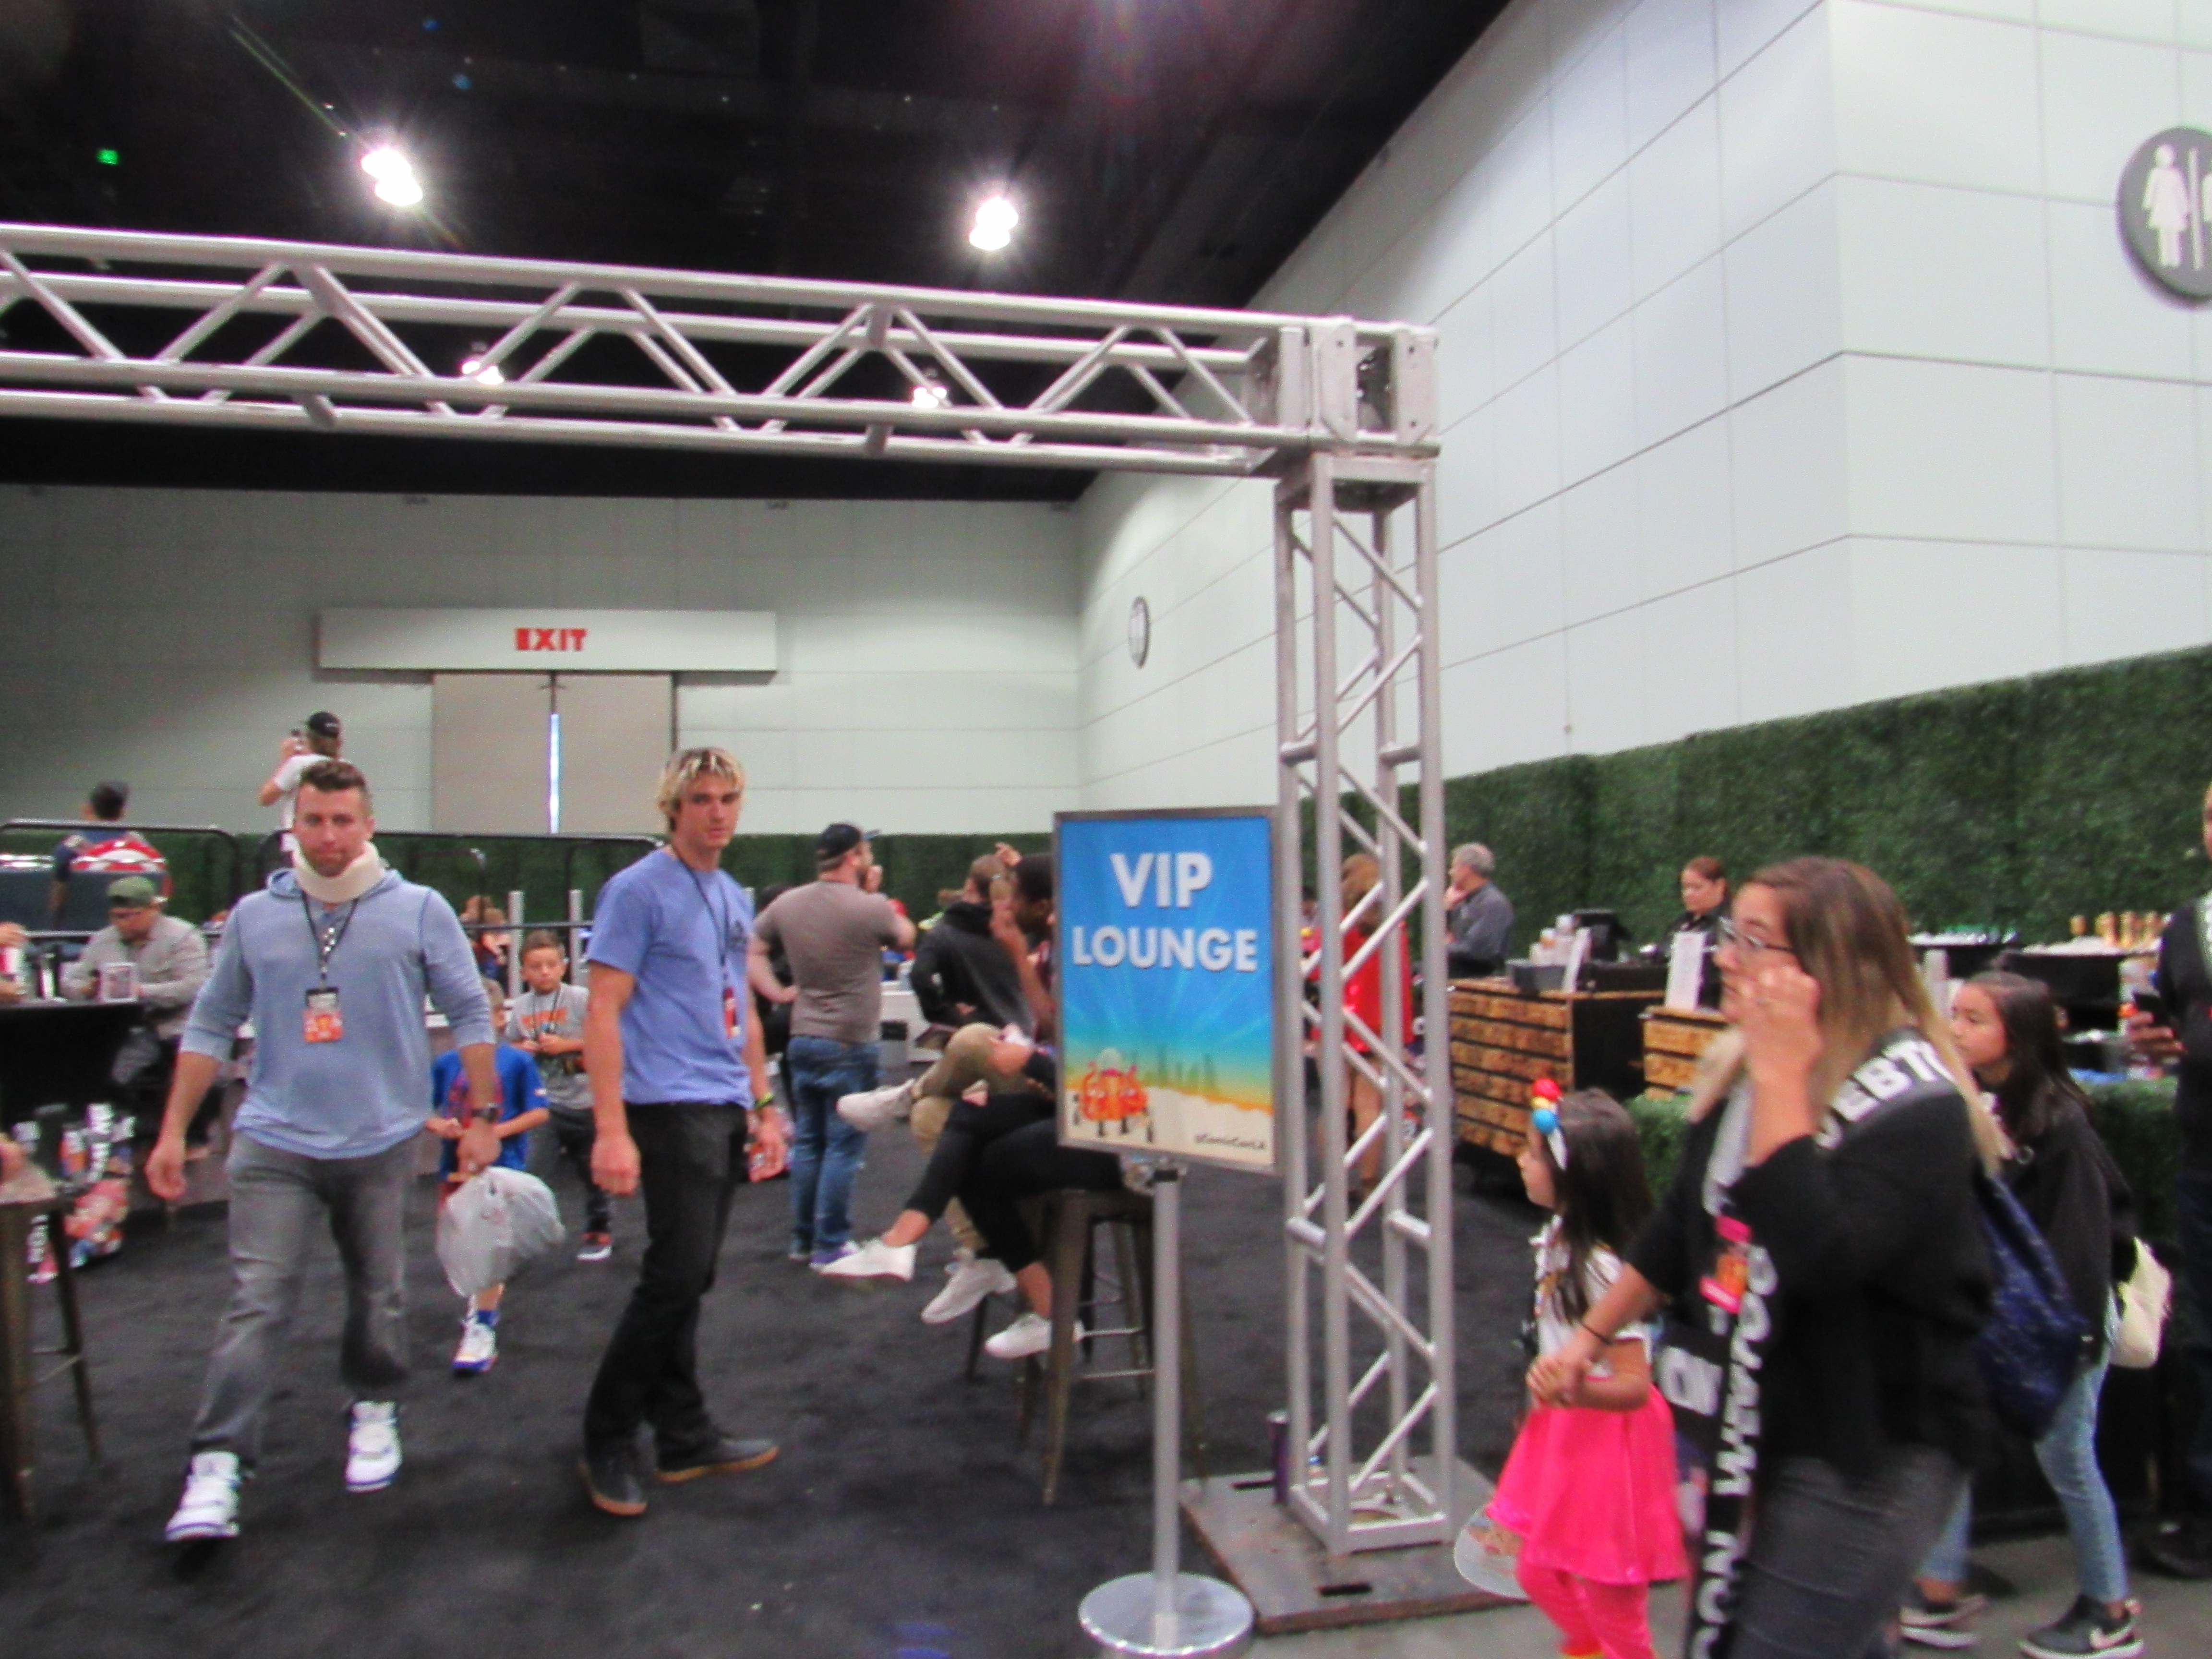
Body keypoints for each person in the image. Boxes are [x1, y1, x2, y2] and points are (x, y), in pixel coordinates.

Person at [1532, 857, 1999, 1659]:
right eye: (1729, 935)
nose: (1726, 958)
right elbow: (1685, 1225)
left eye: (1753, 941)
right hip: (1758, 1421)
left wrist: (1782, 1074)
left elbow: (1819, 1258)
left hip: (1865, 1449)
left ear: (1828, 966)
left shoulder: (1916, 1106)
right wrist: (1590, 1337)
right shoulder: (1743, 1075)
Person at [148, 760, 501, 1542]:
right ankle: (217, 1461)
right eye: (314, 820)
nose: (330, 835)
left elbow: (470, 1011)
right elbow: (210, 1023)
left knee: (378, 1293)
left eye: (344, 820)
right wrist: (172, 1131)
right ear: (293, 827)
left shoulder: (419, 909)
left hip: (379, 1141)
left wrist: (482, 1114)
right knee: (258, 1300)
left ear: (368, 825)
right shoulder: (254, 917)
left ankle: (373, 1405)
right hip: (273, 1140)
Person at [577, 746, 788, 1519]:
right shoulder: (637, 891)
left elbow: (745, 1011)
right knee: (675, 1275)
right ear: (673, 807)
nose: (717, 812)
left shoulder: (730, 894)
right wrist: (610, 1130)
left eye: (728, 798)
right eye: (701, 799)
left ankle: (683, 1433)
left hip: (722, 1100)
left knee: (689, 1275)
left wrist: (763, 1105)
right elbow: (602, 1010)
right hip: (666, 1104)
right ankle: (605, 1434)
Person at [1905, 973, 2141, 1658]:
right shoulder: (1980, 1104)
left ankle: (2110, 1608)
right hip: (2004, 1318)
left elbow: (2084, 1241)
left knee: (2068, 1459)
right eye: (1955, 1015)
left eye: (1974, 1019)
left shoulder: (2061, 1125)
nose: (1956, 1030)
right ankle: (1939, 1590)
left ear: (2020, 1034)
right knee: (1958, 1437)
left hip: (2057, 1325)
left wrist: (2072, 1336)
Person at [1487, 1089, 1683, 1659]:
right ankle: (1594, 1648)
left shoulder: (1599, 1268)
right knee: (1537, 1569)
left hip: (1609, 1440)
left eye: (1533, 1153)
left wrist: (1575, 1391)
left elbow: (1634, 1385)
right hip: (1563, 1425)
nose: (1521, 1161)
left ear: (1573, 1177)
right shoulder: (1557, 1239)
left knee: (1609, 1585)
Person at [831, 852, 1056, 1324]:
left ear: (1042, 905)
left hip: (1068, 1095)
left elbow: (1070, 1041)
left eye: (1015, 897)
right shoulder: (1044, 944)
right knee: (933, 1114)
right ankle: (982, 1254)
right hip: (1040, 1077)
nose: (1004, 905)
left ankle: (903, 1098)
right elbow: (1050, 1028)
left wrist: (1013, 969)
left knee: (972, 1039)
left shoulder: (1080, 948)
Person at [748, 823, 914, 1267]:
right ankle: (831, 1244)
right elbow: (906, 936)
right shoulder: (869, 906)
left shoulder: (787, 903)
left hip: (804, 1038)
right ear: (854, 858)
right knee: (843, 1146)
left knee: (809, 1143)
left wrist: (777, 993)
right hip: (850, 1043)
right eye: (866, 853)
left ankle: (804, 1240)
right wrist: (874, 894)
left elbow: (752, 949)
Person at [2129, 779, 2212, 1579]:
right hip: (2205, 1156)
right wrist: (2160, 1043)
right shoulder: (2190, 926)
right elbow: (2175, 1020)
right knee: (2205, 1335)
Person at [430, 976, 549, 1376]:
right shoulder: (446, 1063)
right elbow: (422, 1110)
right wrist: (442, 1126)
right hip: (455, 1170)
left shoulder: (517, 1062)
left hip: (500, 1169)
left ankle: (482, 1323)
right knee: (464, 1247)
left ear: (501, 1018)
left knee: (490, 1246)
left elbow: (538, 1111)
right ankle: (480, 1308)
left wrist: (493, 1132)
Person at [61, 875, 213, 1135]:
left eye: (130, 916)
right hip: (122, 1027)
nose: (122, 923)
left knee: (191, 1067)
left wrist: (140, 992)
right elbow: (70, 982)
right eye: (116, 917)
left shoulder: (183, 936)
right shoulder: (103, 940)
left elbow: (195, 986)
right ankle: (114, 1131)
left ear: (154, 909)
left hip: (175, 1024)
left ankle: (189, 1136)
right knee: (97, 1067)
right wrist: (87, 989)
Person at [511, 929, 610, 1260]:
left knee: (592, 1173)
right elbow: (509, 1044)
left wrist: (566, 1045)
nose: (544, 972)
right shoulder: (521, 1007)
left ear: (564, 967)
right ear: (523, 972)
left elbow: (607, 1036)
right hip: (546, 1103)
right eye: (536, 967)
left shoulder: (580, 999)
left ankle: (599, 1227)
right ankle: (524, 1232)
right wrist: (522, 1048)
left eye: (551, 965)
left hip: (585, 1101)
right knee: (531, 1169)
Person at [909, 854, 1028, 1035]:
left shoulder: (943, 932)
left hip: (970, 1035)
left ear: (970, 884)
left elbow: (920, 975)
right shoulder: (1020, 928)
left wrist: (946, 1014)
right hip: (1021, 1034)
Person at [50, 779, 168, 920]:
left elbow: (57, 899)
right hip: (133, 924)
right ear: (123, 812)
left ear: (87, 809)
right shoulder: (141, 846)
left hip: (83, 926)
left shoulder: (69, 849)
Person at [259, 711, 342, 858]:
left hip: (298, 844)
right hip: (334, 843)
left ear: (310, 737)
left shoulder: (297, 764)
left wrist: (286, 760)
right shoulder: (346, 767)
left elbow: (266, 798)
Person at [1665, 857, 1729, 1010]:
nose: (1688, 894)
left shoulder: (1730, 924)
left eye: (1697, 888)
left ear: (1719, 886)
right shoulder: (1681, 923)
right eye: (1685, 888)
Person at [1444, 842, 1514, 978]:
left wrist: (1442, 949)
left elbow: (1478, 950)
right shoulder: (1462, 902)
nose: (1450, 873)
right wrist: (1447, 910)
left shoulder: (1493, 904)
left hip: (1476, 977)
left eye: (1454, 867)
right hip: (1455, 973)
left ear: (1466, 869)